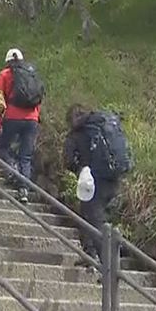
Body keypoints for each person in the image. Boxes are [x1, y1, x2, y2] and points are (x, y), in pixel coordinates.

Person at [63, 104, 132, 264]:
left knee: (94, 221)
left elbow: (68, 160)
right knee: (90, 216)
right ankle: (89, 254)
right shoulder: (100, 126)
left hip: (94, 183)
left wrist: (80, 168)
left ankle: (108, 267)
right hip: (114, 178)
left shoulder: (77, 134)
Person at [0, 48, 42, 202]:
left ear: (7, 61)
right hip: (32, 119)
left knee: (1, 147)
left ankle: (12, 169)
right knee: (26, 156)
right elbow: (38, 97)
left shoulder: (5, 75)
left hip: (12, 116)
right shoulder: (32, 73)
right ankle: (24, 190)